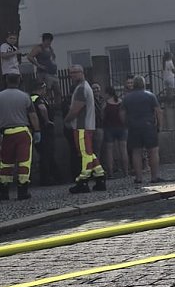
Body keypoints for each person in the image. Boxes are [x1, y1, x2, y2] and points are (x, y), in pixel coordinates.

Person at [64, 65, 107, 193]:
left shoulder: (81, 88)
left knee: (85, 154)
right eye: (70, 73)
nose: (72, 75)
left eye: (75, 72)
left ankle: (83, 181)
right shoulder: (84, 86)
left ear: (82, 73)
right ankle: (100, 176)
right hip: (87, 126)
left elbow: (75, 110)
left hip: (81, 127)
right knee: (89, 153)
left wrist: (66, 120)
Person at [0, 73, 40, 200]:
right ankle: (22, 191)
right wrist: (37, 130)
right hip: (23, 132)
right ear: (19, 81)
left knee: (5, 163)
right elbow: (33, 115)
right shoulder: (25, 96)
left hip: (5, 133)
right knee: (24, 162)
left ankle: (4, 191)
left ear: (6, 80)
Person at [121, 75, 163, 185]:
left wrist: (126, 123)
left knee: (136, 152)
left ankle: (138, 178)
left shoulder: (127, 98)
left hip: (133, 127)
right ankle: (154, 177)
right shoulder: (150, 96)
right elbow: (158, 111)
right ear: (144, 84)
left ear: (133, 85)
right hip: (149, 126)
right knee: (153, 151)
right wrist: (159, 125)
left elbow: (122, 113)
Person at [30, 81, 59, 185]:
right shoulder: (37, 98)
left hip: (38, 129)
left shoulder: (31, 98)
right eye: (45, 89)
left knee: (45, 154)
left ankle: (50, 177)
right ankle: (46, 179)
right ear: (41, 88)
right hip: (44, 129)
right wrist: (47, 121)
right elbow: (42, 108)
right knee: (46, 154)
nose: (46, 91)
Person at [101, 85, 129, 178]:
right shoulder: (121, 102)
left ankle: (110, 173)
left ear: (108, 93)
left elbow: (102, 117)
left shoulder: (105, 104)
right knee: (123, 150)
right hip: (122, 128)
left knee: (109, 152)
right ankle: (126, 172)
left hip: (109, 128)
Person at [27, 33, 60, 107]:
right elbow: (30, 57)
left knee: (58, 91)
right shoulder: (39, 48)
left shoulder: (50, 48)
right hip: (44, 73)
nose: (49, 42)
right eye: (47, 41)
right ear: (44, 40)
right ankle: (46, 106)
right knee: (47, 91)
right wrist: (39, 65)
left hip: (53, 73)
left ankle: (58, 107)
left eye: (50, 41)